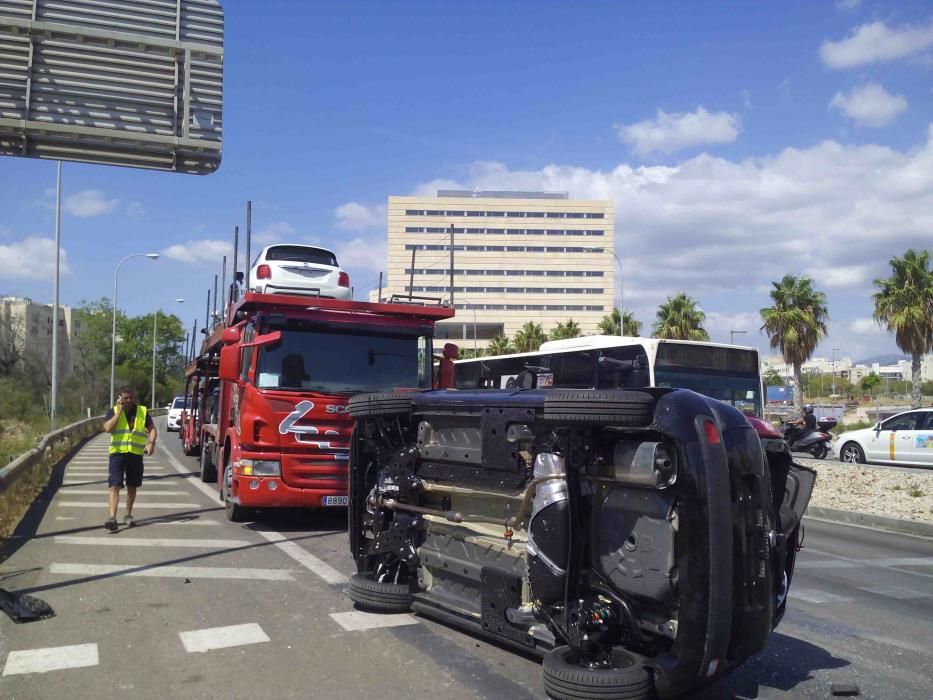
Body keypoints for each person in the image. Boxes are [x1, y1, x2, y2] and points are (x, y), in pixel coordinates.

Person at [102, 385, 156, 531]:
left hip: (135, 454)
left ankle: (128, 515)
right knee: (115, 484)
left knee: (132, 485)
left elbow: (152, 429)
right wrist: (118, 412)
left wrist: (151, 443)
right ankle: (112, 518)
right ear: (120, 398)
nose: (129, 400)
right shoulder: (113, 411)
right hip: (117, 453)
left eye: (131, 397)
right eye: (125, 398)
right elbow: (107, 428)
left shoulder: (142, 411)